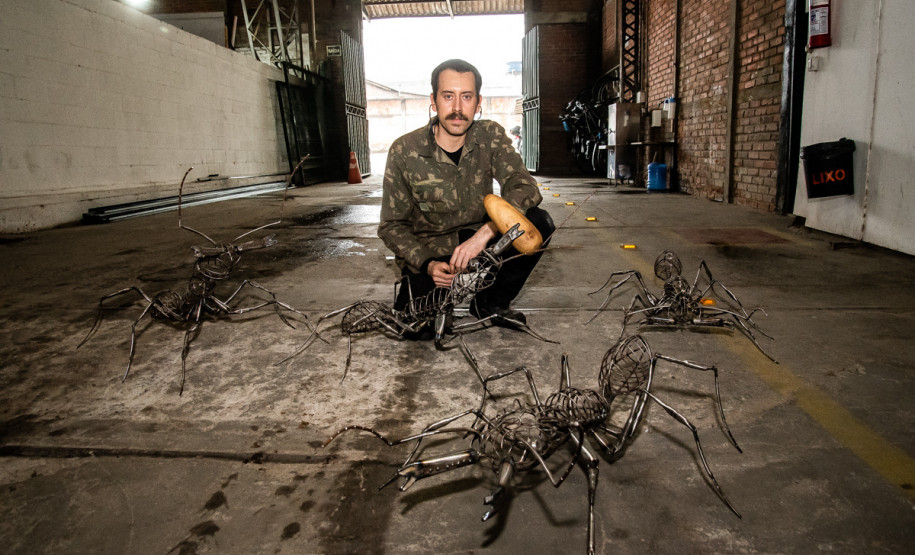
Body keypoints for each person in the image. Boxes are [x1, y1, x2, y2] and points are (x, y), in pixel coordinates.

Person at [377, 59, 555, 334]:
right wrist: (428, 264)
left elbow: (525, 187)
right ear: (434, 101)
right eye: (448, 96)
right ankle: (437, 295)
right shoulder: (405, 150)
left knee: (538, 222)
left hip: (478, 238)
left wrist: (488, 231)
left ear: (478, 101)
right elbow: (391, 226)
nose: (457, 108)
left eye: (466, 97)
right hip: (432, 251)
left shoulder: (490, 136)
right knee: (421, 329)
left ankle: (490, 303)